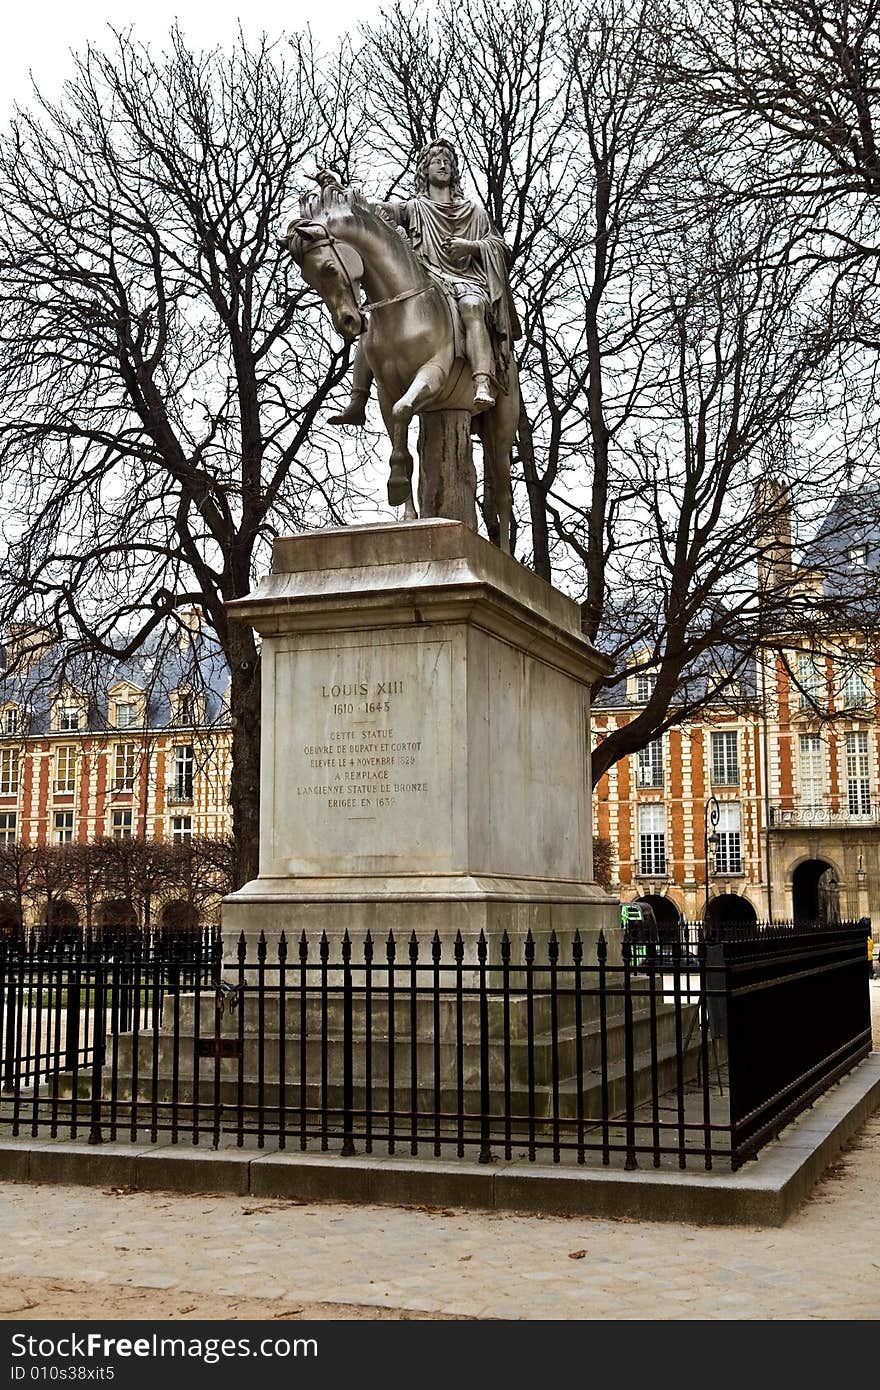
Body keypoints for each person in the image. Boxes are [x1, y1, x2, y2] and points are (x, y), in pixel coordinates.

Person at [318, 139, 520, 423]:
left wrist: (471, 247)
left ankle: (482, 381)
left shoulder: (475, 212)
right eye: (436, 160)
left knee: (473, 307)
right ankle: (358, 400)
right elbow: (374, 211)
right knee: (373, 321)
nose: (443, 164)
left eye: (448, 160)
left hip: (466, 282)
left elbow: (500, 247)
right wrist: (340, 192)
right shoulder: (414, 208)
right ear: (425, 169)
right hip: (429, 281)